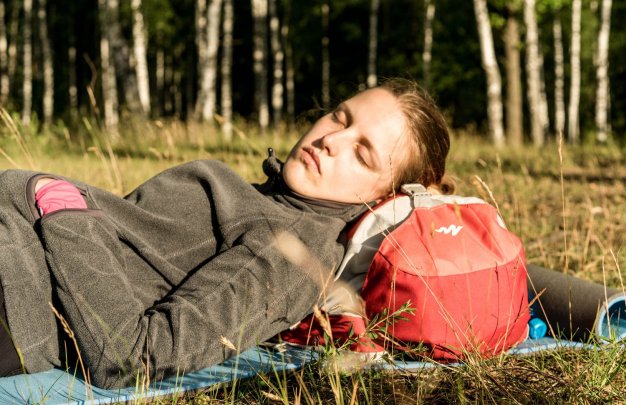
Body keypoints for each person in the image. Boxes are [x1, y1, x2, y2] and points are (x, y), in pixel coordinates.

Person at [0, 78, 452, 389]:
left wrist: (63, 211)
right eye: (340, 117)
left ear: (383, 196)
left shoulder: (290, 250)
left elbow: (129, 359)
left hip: (16, 305)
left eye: (363, 153)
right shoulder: (269, 203)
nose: (331, 140)